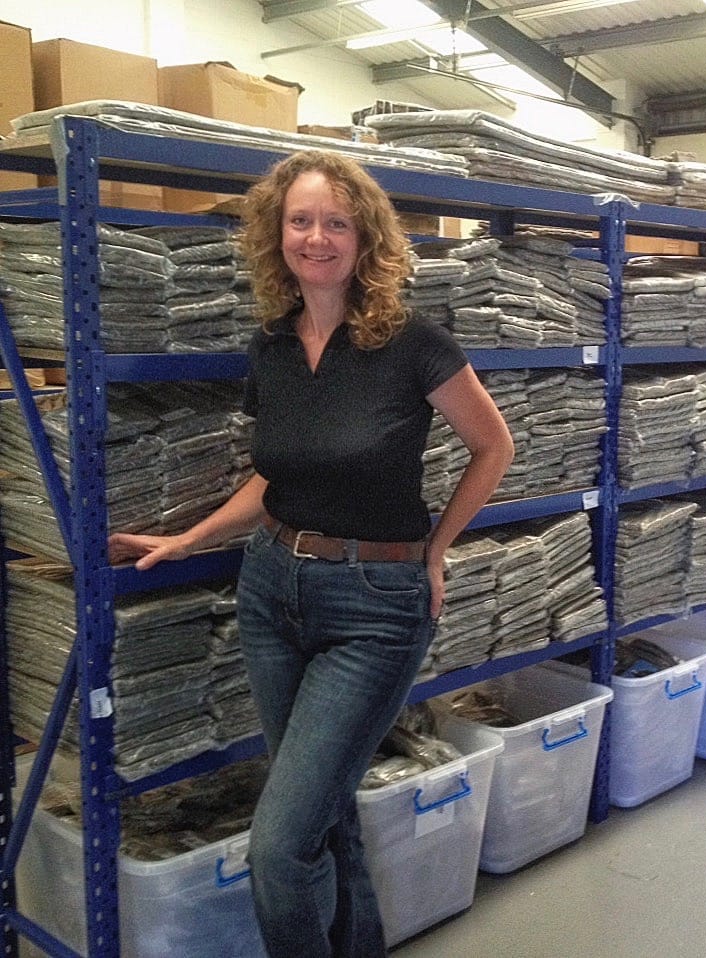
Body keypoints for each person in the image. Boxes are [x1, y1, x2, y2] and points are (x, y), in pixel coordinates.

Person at [108, 149, 514, 957]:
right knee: (325, 819)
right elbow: (275, 475)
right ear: (276, 233)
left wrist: (434, 551)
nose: (316, 237)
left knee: (278, 847)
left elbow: (493, 447)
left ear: (364, 238)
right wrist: (191, 535)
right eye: (300, 220)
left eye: (335, 222)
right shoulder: (273, 346)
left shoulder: (413, 343)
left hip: (374, 605)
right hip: (271, 592)